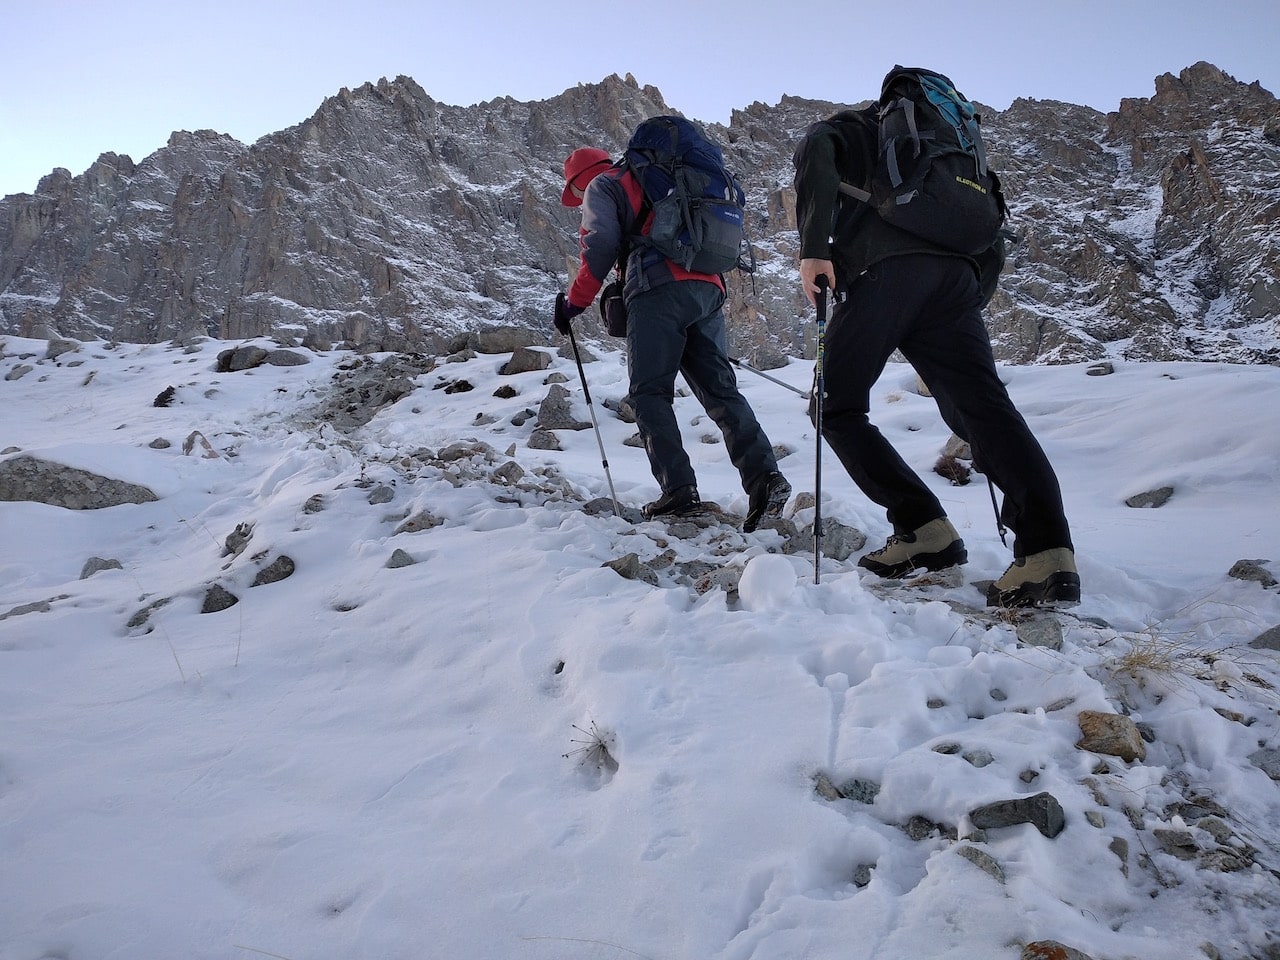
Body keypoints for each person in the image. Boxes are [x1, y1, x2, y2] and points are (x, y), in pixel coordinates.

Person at [791, 82, 1080, 607]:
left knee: (834, 407)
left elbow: (817, 150)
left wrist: (813, 249)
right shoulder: (958, 153)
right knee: (983, 407)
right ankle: (1046, 553)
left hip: (885, 272)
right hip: (957, 281)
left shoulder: (858, 127)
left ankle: (923, 530)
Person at [553, 139, 791, 532]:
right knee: (721, 392)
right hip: (709, 288)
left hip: (657, 288)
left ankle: (679, 492)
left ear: (580, 181)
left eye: (575, 192)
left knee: (649, 393)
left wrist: (574, 305)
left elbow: (599, 247)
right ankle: (766, 480)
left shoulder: (604, 185)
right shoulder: (657, 178)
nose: (578, 200)